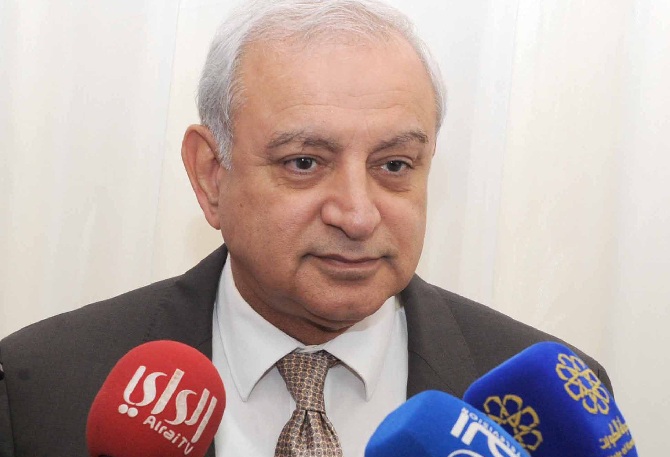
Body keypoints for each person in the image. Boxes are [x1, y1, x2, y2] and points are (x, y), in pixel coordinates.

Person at [0, 1, 611, 456]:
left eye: (394, 166)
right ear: (211, 175)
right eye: (304, 163)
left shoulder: (549, 410)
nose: (358, 214)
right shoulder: (40, 388)